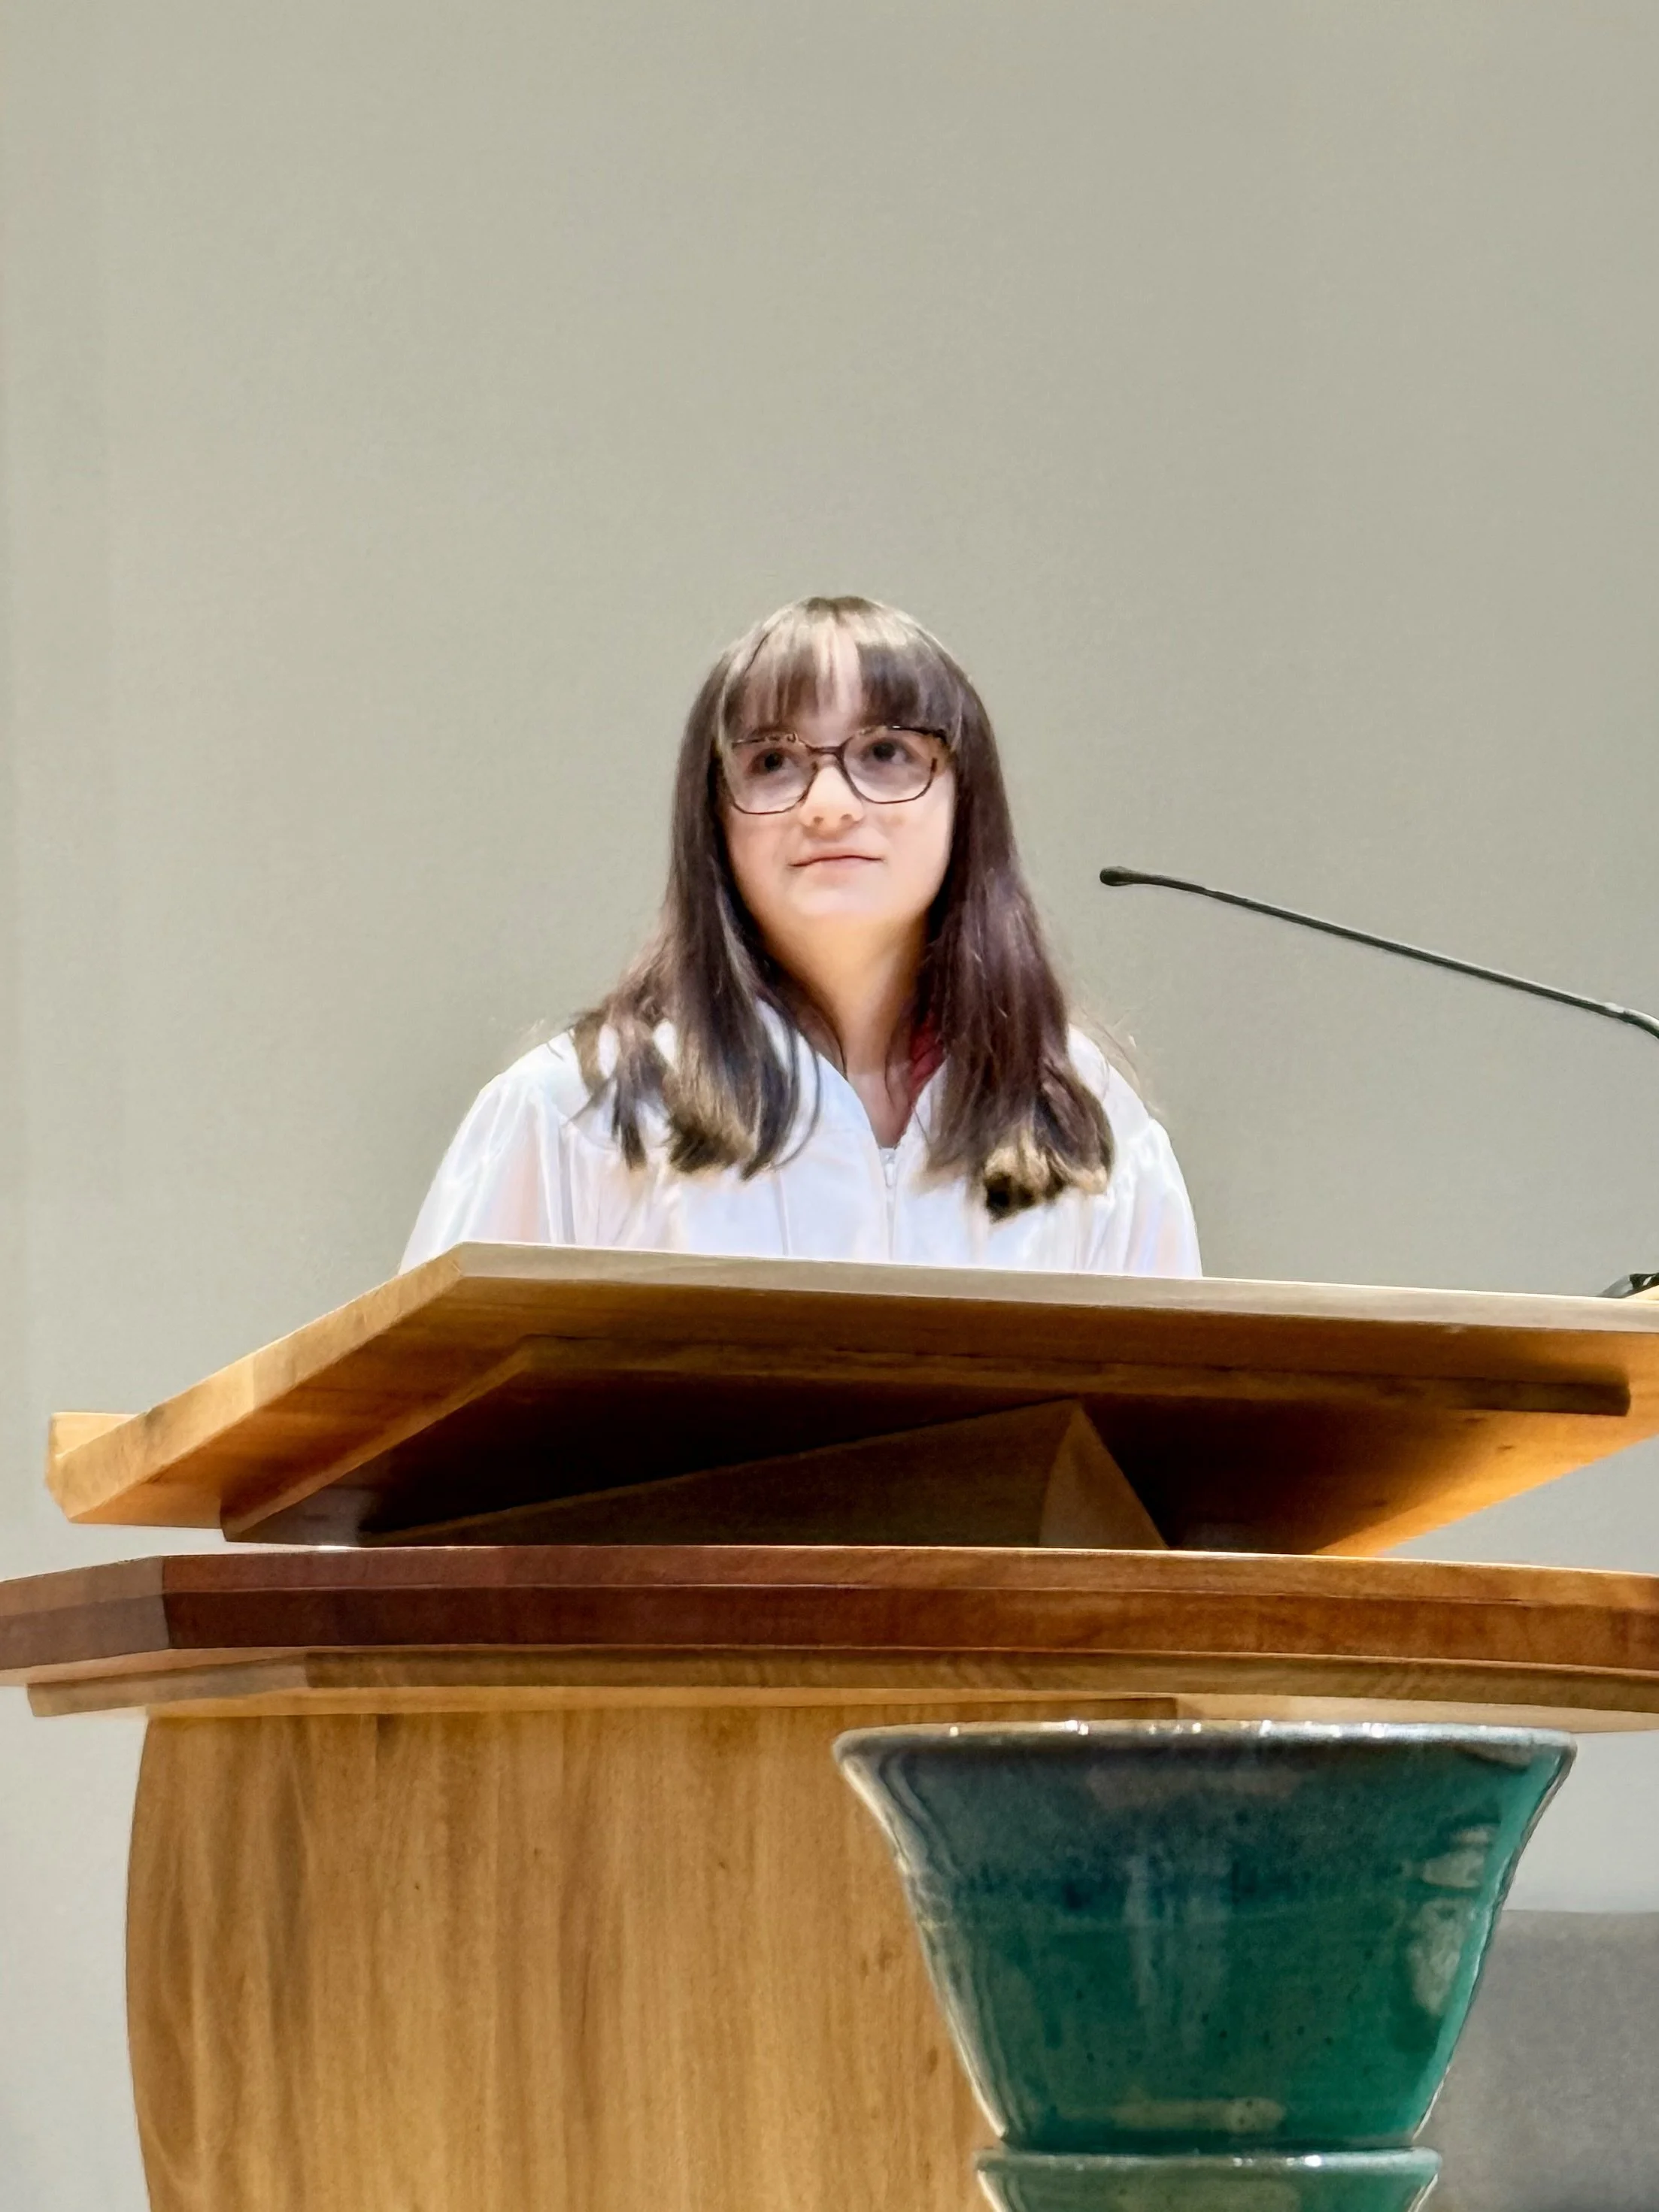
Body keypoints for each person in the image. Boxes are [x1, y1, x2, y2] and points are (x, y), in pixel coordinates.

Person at [402, 595, 1199, 1274]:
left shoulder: (1086, 1127)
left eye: (886, 751)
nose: (828, 802)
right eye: (774, 760)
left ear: (969, 803)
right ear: (712, 816)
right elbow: (429, 1427)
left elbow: (1174, 1442)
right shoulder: (577, 1112)